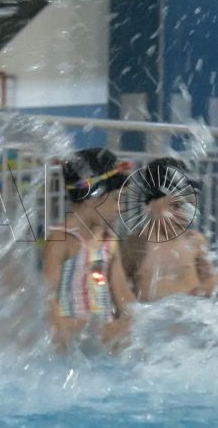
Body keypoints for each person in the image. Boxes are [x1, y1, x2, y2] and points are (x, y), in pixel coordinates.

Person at [42, 148, 136, 352]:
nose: (120, 208)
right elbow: (46, 297)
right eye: (116, 200)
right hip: (73, 337)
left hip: (105, 340)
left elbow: (122, 293)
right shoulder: (61, 240)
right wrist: (63, 330)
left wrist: (137, 321)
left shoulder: (109, 241)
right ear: (91, 197)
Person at [122, 157, 218, 302]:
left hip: (190, 312)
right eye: (175, 206)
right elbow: (119, 288)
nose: (183, 215)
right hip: (151, 314)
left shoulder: (194, 241)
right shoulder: (134, 246)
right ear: (149, 204)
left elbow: (212, 278)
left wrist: (205, 288)